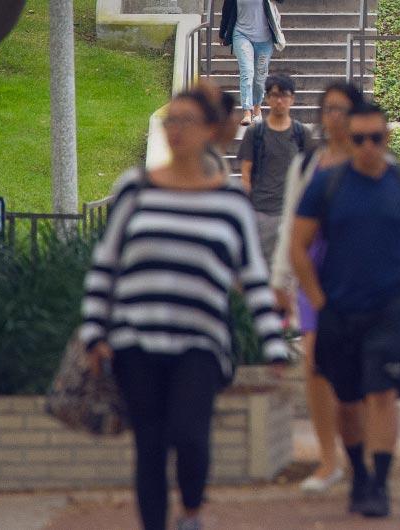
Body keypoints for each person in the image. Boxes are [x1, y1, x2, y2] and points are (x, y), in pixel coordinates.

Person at [79, 83, 291, 530]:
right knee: (150, 445)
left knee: (191, 435)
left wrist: (273, 343)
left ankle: (191, 511)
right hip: (135, 338)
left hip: (201, 341)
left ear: (210, 131)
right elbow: (106, 264)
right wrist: (93, 333)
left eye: (186, 121)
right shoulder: (134, 189)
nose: (176, 130)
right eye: (170, 121)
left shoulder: (229, 203)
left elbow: (252, 275)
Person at [289, 101, 400, 519]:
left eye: (376, 138)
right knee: (348, 400)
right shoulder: (328, 186)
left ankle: (379, 482)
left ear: (387, 137)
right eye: (359, 139)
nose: (368, 146)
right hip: (339, 310)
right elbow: (297, 246)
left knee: (383, 393)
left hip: (389, 310)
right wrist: (318, 300)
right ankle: (357, 472)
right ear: (349, 139)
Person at [272, 82, 368, 494]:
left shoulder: (372, 161)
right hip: (315, 272)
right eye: (328, 109)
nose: (334, 117)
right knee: (314, 365)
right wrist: (280, 280)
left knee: (357, 372)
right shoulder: (308, 164)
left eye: (343, 110)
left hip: (362, 276)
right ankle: (328, 459)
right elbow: (290, 224)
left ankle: (358, 454)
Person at [239, 74, 311, 257]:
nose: (279, 101)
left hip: (292, 212)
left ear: (292, 99)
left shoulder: (301, 133)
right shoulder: (255, 133)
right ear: (268, 99)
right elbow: (246, 174)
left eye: (284, 96)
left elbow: (310, 173)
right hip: (261, 211)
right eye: (274, 95)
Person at [218, 0, 287, 125]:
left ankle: (257, 109)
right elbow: (227, 10)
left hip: (265, 40)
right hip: (241, 35)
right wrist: (222, 33)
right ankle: (247, 112)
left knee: (260, 77)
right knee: (247, 72)